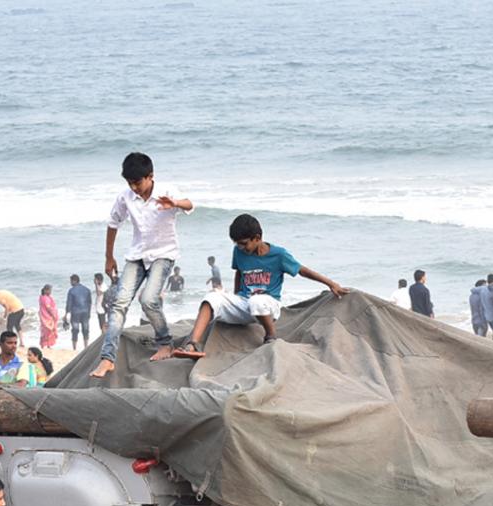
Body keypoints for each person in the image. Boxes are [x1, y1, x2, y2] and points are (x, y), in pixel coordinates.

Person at [175, 217, 348, 353]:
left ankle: (270, 335)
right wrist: (235, 295)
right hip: (245, 303)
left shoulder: (279, 255)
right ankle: (193, 345)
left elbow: (301, 270)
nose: (240, 248)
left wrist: (331, 284)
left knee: (256, 301)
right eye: (237, 244)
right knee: (211, 297)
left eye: (243, 243)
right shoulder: (239, 251)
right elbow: (239, 272)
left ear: (257, 238)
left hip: (269, 306)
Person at [91, 152, 193, 378]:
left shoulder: (166, 191)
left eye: (137, 182)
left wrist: (174, 203)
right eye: (129, 183)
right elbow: (112, 223)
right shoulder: (125, 197)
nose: (134, 187)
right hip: (137, 256)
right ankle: (108, 359)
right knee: (119, 302)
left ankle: (165, 343)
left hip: (163, 255)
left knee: (148, 299)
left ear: (150, 176)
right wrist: (109, 257)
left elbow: (189, 204)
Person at [63, 274, 93, 349]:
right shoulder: (87, 289)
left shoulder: (71, 291)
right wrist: (89, 312)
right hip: (85, 312)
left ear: (74, 281)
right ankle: (86, 346)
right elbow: (90, 302)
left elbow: (69, 304)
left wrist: (66, 314)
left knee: (75, 330)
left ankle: (74, 348)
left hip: (75, 312)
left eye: (71, 281)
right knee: (85, 329)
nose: (70, 283)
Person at [36, 285, 59, 349]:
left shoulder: (41, 297)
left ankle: (43, 345)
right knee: (49, 331)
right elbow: (48, 307)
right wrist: (54, 314)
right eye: (49, 290)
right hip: (47, 317)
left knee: (44, 331)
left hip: (43, 316)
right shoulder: (46, 298)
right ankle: (48, 345)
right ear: (46, 290)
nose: (50, 292)